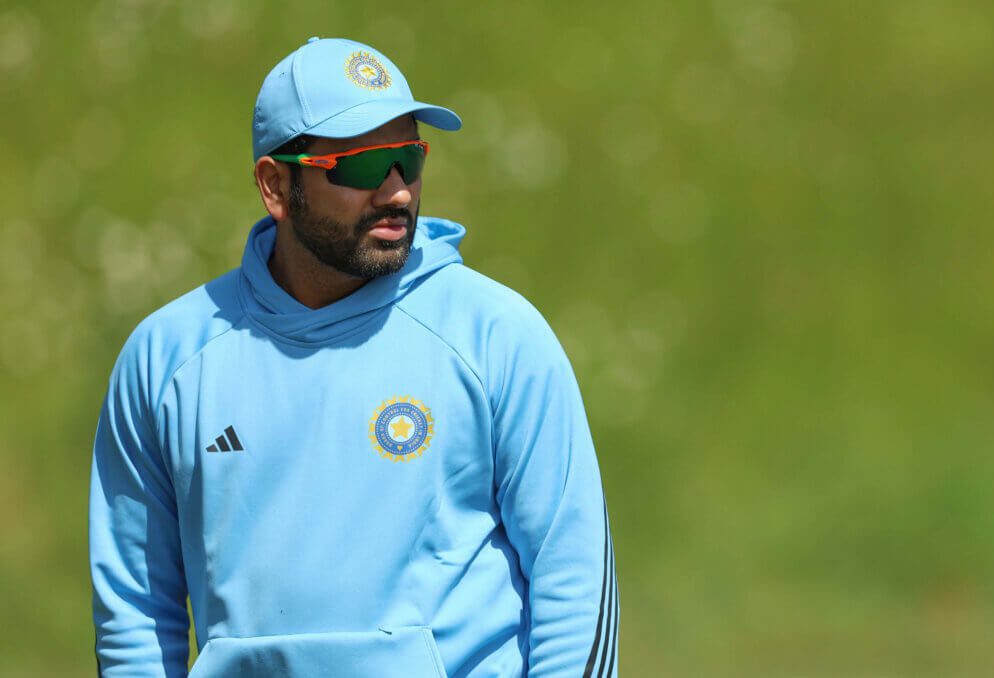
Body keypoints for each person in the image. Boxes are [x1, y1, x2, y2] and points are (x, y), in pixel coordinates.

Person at [89, 37, 619, 677]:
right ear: (275, 184)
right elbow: (135, 616)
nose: (396, 192)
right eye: (363, 166)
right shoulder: (165, 359)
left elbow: (575, 581)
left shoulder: (498, 336)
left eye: (407, 159)